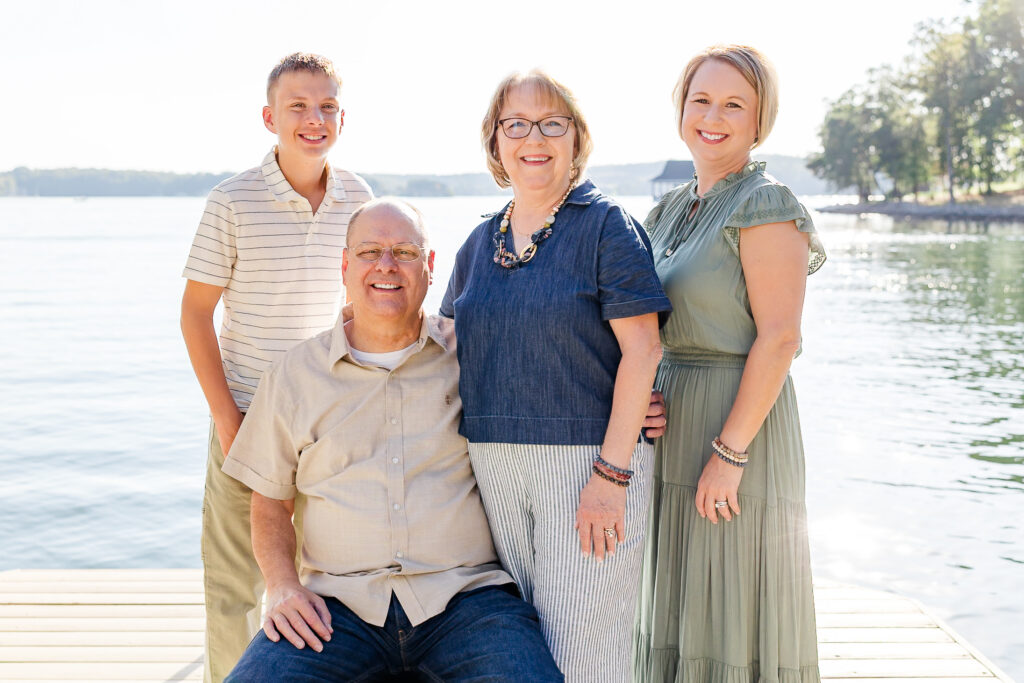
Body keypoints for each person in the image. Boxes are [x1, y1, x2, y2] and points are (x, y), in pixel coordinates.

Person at [220, 198, 563, 682]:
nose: (386, 265)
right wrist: (281, 587)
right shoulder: (294, 375)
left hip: (466, 601)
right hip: (334, 610)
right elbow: (270, 503)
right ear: (344, 266)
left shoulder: (473, 353)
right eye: (369, 252)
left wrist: (628, 408)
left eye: (404, 251)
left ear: (429, 267)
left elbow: (559, 391)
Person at [440, 70, 672, 682]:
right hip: (490, 467)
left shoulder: (606, 228)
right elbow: (441, 350)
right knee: (520, 649)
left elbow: (643, 351)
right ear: (495, 142)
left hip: (586, 466)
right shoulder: (476, 244)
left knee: (587, 652)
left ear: (576, 139)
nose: (533, 138)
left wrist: (612, 475)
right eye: (515, 124)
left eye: (552, 123)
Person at [632, 45, 826, 682]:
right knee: (676, 607)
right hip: (673, 431)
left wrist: (731, 451)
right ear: (681, 110)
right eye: (701, 100)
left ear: (759, 118)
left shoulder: (765, 204)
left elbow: (779, 339)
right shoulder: (668, 210)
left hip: (733, 428)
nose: (713, 116)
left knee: (729, 606)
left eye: (733, 104)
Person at [180, 52, 372, 681]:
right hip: (246, 413)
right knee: (238, 583)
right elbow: (195, 316)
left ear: (343, 118)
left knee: (324, 573)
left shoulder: (360, 199)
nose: (313, 119)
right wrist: (227, 418)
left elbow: (358, 312)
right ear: (270, 117)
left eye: (326, 107)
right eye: (298, 106)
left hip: (328, 417)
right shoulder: (231, 201)